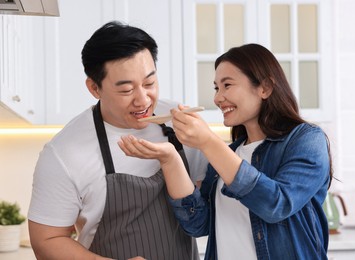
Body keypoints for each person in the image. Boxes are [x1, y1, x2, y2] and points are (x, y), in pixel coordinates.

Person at [118, 43, 333, 259]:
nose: (217, 98)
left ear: (265, 88)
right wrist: (170, 158)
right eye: (216, 88)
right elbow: (198, 224)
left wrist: (208, 142)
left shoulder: (306, 140)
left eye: (227, 85)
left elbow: (276, 205)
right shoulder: (229, 153)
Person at [28, 21, 207, 260]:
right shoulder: (63, 153)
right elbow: (46, 240)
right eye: (126, 90)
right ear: (94, 88)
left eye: (149, 83)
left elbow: (211, 204)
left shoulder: (180, 123)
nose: (143, 100)